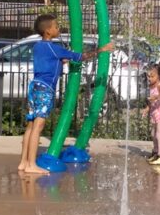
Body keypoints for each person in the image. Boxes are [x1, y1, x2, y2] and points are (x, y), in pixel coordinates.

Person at [18, 14, 114, 174]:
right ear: (48, 31)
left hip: (34, 87)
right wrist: (102, 49)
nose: (58, 28)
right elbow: (80, 56)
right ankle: (31, 165)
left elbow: (48, 61)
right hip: (45, 89)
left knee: (30, 125)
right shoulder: (53, 48)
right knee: (38, 126)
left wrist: (60, 61)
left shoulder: (38, 46)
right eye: (56, 26)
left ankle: (23, 162)